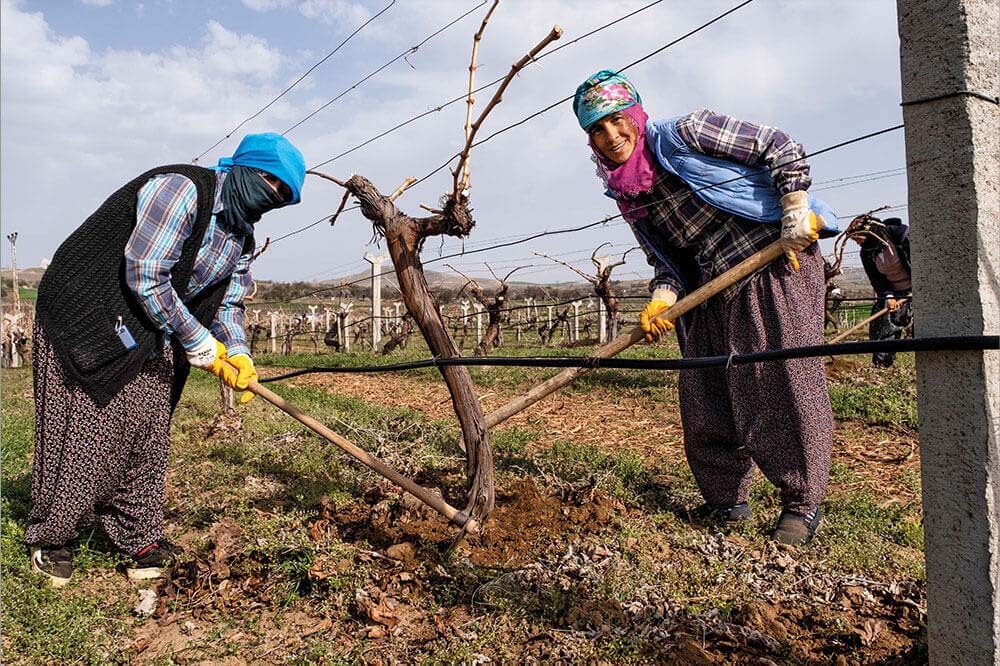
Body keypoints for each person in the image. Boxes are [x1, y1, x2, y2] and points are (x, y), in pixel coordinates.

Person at [27, 133, 306, 586]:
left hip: (149, 322)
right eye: (270, 181)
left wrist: (235, 350)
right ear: (242, 167)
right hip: (85, 308)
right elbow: (147, 272)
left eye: (283, 195)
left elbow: (229, 302)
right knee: (88, 420)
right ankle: (53, 533)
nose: (272, 196)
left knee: (150, 423)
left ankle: (136, 535)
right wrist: (196, 339)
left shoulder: (241, 235)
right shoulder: (182, 190)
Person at [572, 70, 838, 545]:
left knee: (780, 380)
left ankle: (802, 503)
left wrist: (794, 204)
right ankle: (726, 501)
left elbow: (779, 145)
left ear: (634, 115)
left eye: (616, 121)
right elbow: (665, 261)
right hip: (708, 287)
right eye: (596, 129)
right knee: (705, 391)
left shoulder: (685, 132)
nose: (611, 136)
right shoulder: (625, 191)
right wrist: (660, 299)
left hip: (770, 260)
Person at [850, 215, 913, 366]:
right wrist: (888, 296)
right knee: (882, 323)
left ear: (870, 232)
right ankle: (882, 363)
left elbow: (918, 262)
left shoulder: (901, 236)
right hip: (893, 292)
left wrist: (919, 287)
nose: (858, 243)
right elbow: (876, 279)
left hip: (916, 289)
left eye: (859, 238)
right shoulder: (867, 252)